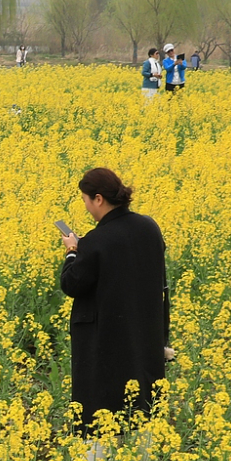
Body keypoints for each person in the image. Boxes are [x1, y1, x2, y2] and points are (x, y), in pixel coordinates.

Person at [59, 167, 172, 445]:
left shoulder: (96, 241)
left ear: (98, 199)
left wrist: (73, 251)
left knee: (101, 414)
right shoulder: (149, 228)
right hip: (143, 339)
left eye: (85, 200)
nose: (86, 207)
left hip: (104, 345)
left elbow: (72, 284)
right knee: (141, 410)